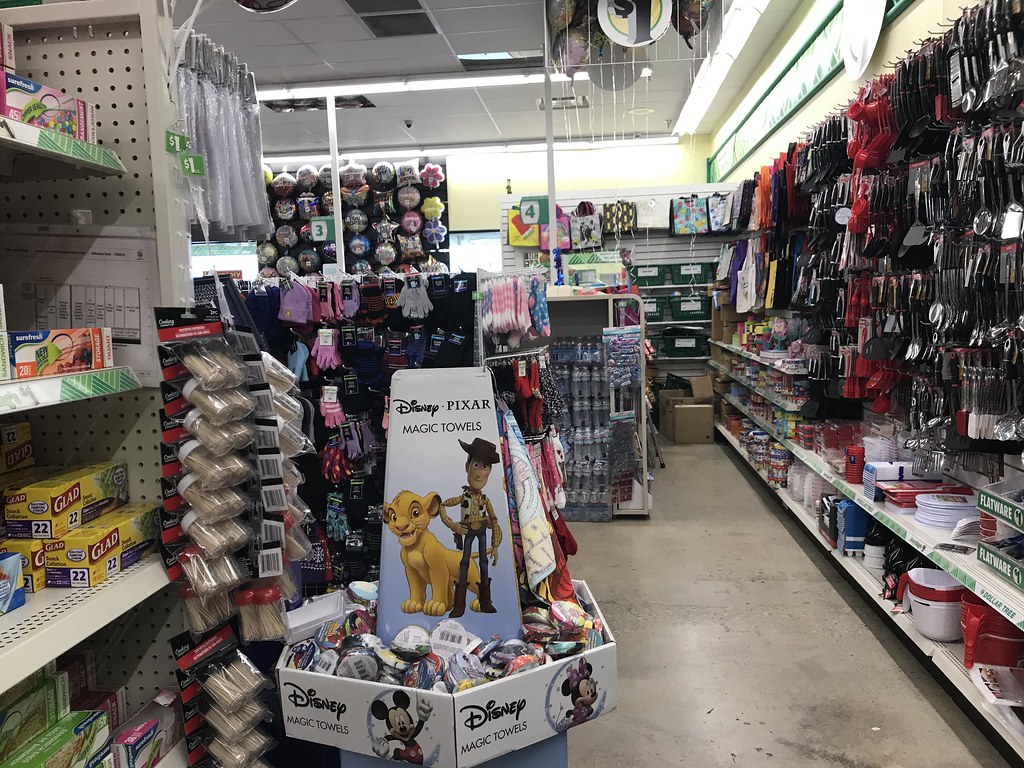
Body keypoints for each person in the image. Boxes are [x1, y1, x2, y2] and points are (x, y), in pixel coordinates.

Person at [439, 438, 502, 617]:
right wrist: (453, 525)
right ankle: (459, 605)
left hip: (481, 531)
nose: (479, 473)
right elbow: (443, 505)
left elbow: (494, 519)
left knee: (483, 563)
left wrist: (495, 545)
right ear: (467, 466)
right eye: (476, 465)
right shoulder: (463, 497)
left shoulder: (485, 500)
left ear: (490, 471)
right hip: (467, 531)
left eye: (485, 467)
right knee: (464, 562)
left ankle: (485, 602)